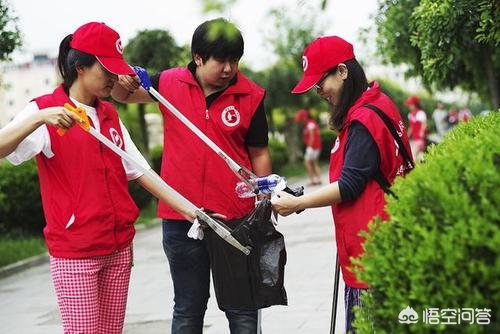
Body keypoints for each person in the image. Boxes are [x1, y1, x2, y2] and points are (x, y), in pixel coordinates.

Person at [0, 22, 197, 334]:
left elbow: (140, 170)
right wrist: (38, 119)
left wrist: (193, 212)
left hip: (118, 248)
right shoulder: (46, 110)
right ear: (80, 67)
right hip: (76, 253)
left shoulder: (108, 114)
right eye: (106, 71)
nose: (114, 79)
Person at [111, 18, 272, 334]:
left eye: (234, 61)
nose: (228, 69)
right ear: (198, 58)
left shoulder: (251, 95)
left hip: (235, 220)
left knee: (242, 311)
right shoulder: (169, 84)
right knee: (187, 309)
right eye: (220, 61)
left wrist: (263, 202)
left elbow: (260, 152)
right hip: (180, 219)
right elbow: (124, 96)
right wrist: (122, 81)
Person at [270, 36, 413, 333]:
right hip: (375, 235)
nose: (320, 91)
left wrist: (298, 203)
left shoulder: (363, 118)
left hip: (372, 246)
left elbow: (349, 184)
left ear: (343, 72)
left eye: (321, 83)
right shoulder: (376, 104)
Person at [294, 108, 322, 185]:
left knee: (307, 162)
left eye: (301, 119)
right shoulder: (309, 124)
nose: (301, 121)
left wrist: (309, 147)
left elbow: (312, 136)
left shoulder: (310, 124)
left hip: (313, 147)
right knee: (314, 163)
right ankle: (318, 179)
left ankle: (312, 180)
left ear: (305, 117)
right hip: (315, 147)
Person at [405, 95, 428, 161]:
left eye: (410, 104)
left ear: (415, 104)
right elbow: (411, 127)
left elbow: (424, 124)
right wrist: (407, 136)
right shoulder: (410, 114)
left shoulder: (421, 113)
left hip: (420, 138)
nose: (409, 106)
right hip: (415, 138)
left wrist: (422, 132)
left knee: (414, 154)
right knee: (418, 155)